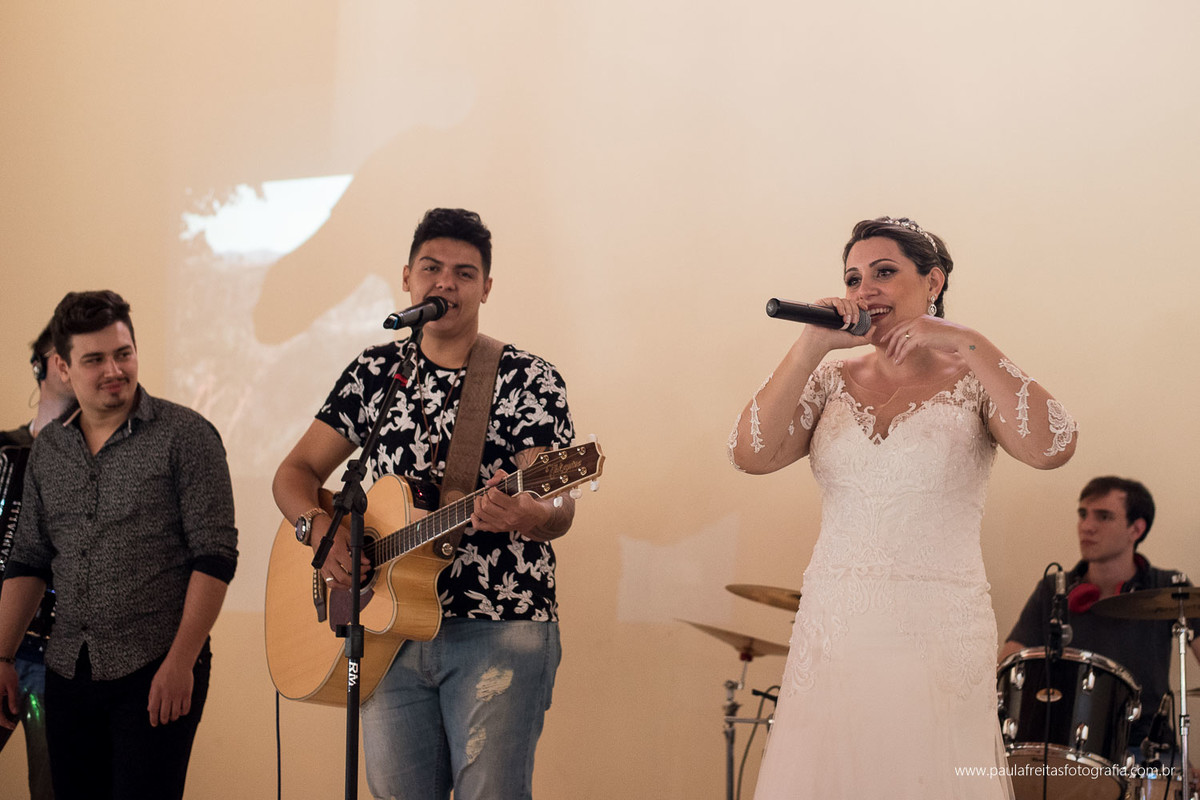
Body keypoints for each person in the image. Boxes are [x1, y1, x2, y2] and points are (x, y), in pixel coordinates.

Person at [728, 217, 1078, 799]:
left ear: (933, 281)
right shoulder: (831, 380)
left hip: (937, 627)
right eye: (853, 278)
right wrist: (810, 345)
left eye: (884, 272)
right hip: (836, 626)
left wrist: (969, 342)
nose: (864, 289)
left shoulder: (971, 375)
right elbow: (751, 455)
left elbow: (1053, 446)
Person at [273, 208, 575, 800]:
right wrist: (321, 532)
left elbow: (558, 502)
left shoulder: (526, 379)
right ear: (407, 278)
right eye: (433, 268)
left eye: (465, 273)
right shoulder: (376, 373)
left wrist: (532, 514)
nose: (446, 283)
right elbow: (295, 472)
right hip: (388, 627)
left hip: (498, 624)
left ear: (486, 288)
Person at [0, 290, 239, 800]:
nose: (114, 369)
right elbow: (29, 561)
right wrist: (0, 657)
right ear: (62, 367)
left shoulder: (187, 436)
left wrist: (181, 663)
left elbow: (215, 558)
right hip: (67, 671)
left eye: (123, 353)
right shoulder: (49, 450)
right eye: (94, 359)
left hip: (156, 670)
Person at [1001, 476, 1200, 758]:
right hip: (1065, 748)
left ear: (1136, 528)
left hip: (1147, 749)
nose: (1087, 526)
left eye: (1103, 516)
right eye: (1083, 514)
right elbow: (1009, 665)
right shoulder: (1053, 589)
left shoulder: (1169, 587)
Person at [0, 324, 74, 800]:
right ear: (39, 366)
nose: (72, 363)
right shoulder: (6, 448)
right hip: (0, 639)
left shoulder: (94, 455)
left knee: (53, 787)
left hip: (54, 652)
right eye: (61, 354)